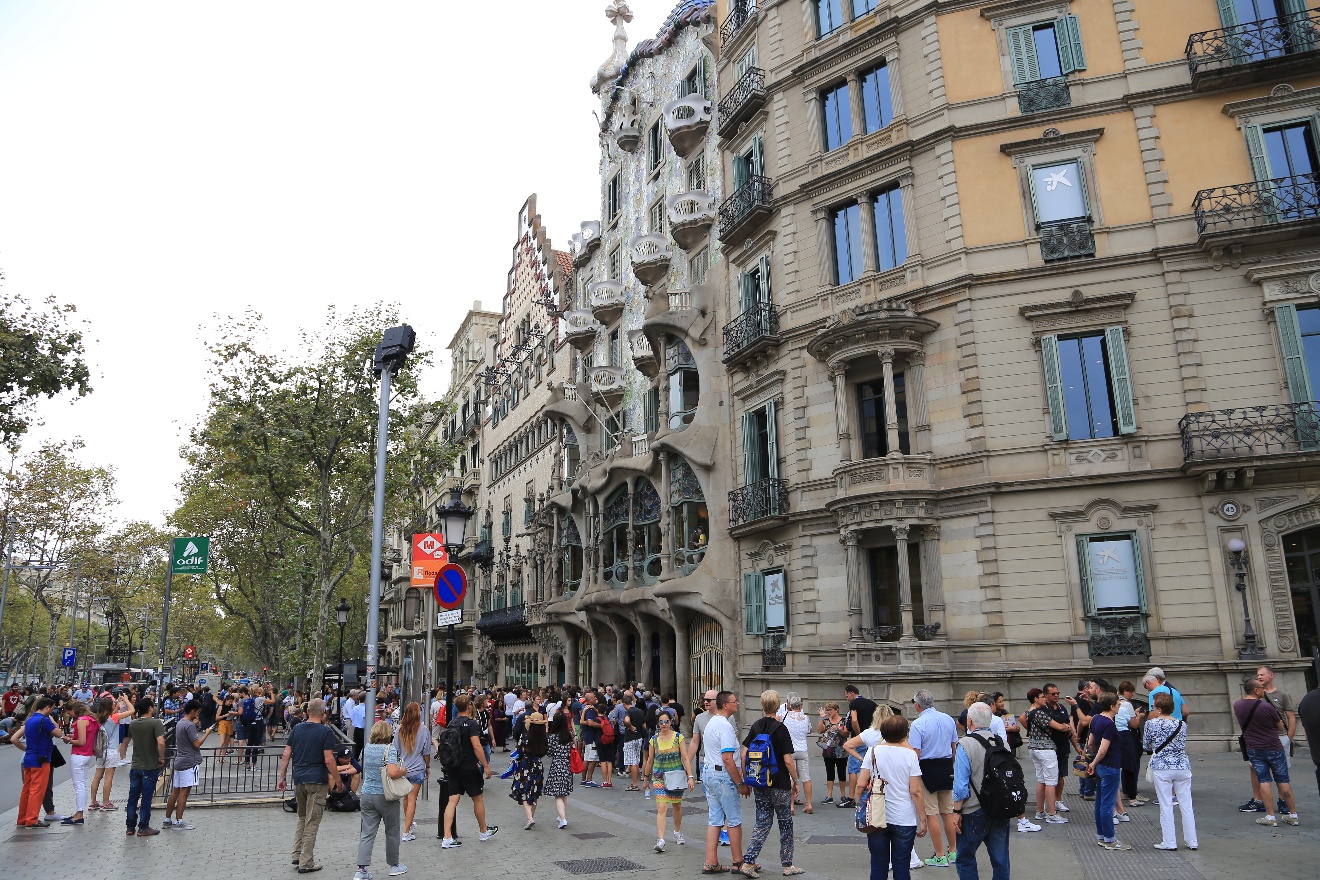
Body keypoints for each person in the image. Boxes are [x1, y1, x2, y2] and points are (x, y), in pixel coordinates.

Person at [278, 698, 345, 873]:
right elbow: (329, 759)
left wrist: (282, 777)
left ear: (307, 712)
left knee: (301, 817)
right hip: (317, 780)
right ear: (324, 713)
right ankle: (306, 862)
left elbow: (286, 755)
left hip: (299, 778)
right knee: (312, 821)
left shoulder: (297, 728)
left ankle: (297, 853)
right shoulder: (325, 732)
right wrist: (338, 781)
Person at [857, 713, 926, 880]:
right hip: (904, 817)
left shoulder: (872, 752)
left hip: (877, 816)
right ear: (904, 734)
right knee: (902, 866)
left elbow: (860, 784)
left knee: (878, 865)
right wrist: (923, 819)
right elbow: (916, 791)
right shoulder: (910, 755)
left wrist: (858, 805)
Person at [740, 690, 801, 877]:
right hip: (779, 782)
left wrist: (747, 778)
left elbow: (743, 754)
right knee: (785, 824)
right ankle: (788, 865)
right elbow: (788, 760)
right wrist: (795, 780)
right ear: (778, 705)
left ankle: (748, 861)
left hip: (760, 782)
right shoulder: (781, 728)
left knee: (762, 822)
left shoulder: (756, 726)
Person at [950, 703, 1011, 880]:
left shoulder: (966, 744)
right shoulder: (1002, 743)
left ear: (969, 721)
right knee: (1000, 859)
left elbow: (960, 784)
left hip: (974, 810)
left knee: (965, 858)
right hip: (1000, 807)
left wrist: (956, 811)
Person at [1234, 678, 1298, 828]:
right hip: (1273, 746)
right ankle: (1293, 815)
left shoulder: (1237, 705)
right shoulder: (1267, 707)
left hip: (1254, 748)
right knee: (1283, 780)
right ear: (1256, 690)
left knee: (1264, 780)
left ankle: (1270, 816)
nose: (1264, 690)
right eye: (1262, 688)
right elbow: (1280, 727)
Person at [440, 694, 499, 848]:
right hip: (469, 766)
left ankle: (447, 837)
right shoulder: (472, 724)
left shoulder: (452, 723)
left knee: (452, 801)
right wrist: (486, 766)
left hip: (454, 766)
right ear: (469, 707)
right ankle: (483, 830)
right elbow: (477, 746)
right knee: (478, 798)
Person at [908, 690, 958, 868]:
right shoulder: (948, 718)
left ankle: (939, 854)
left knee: (931, 813)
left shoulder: (917, 724)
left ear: (917, 705)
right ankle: (953, 851)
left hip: (927, 767)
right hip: (946, 766)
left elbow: (916, 753)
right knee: (947, 811)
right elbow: (954, 746)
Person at [1142, 691, 1196, 851]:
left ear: (1158, 709)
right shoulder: (1182, 724)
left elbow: (1146, 745)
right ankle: (1192, 841)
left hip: (1162, 767)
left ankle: (1169, 842)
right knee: (1186, 804)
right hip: (1182, 766)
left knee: (1166, 804)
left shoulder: (1151, 724)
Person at [702, 690, 748, 876]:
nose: (737, 704)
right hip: (723, 776)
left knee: (715, 819)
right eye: (734, 701)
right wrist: (740, 783)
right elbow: (728, 758)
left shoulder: (712, 722)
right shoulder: (725, 726)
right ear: (725, 705)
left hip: (709, 773)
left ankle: (711, 861)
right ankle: (738, 861)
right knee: (734, 820)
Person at [356, 720, 408, 879]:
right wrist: (403, 770)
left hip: (367, 794)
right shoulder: (389, 749)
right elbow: (392, 773)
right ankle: (394, 865)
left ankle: (361, 870)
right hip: (385, 795)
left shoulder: (367, 748)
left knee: (367, 833)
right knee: (392, 831)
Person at [1245, 664, 1297, 815]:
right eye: (1258, 675)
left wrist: (1289, 738)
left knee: (1281, 771)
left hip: (1280, 738)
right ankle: (1258, 800)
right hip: (1259, 739)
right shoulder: (1255, 696)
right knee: (1254, 768)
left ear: (1271, 675)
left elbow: (1291, 718)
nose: (1259, 677)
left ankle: (1283, 801)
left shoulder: (1282, 695)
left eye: (1262, 674)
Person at [643, 707, 694, 851]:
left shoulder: (678, 737)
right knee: (661, 807)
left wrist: (690, 777)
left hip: (676, 776)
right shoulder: (654, 740)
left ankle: (677, 832)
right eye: (661, 722)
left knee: (676, 806)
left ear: (671, 722)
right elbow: (649, 760)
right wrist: (646, 779)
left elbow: (685, 758)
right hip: (659, 777)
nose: (663, 724)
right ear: (657, 724)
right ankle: (661, 840)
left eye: (666, 721)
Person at [1084, 693, 1130, 850]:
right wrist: (1095, 762)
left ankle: (1102, 836)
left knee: (1100, 802)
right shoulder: (1109, 724)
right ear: (1111, 706)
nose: (1119, 706)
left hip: (1101, 767)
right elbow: (1103, 749)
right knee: (1108, 804)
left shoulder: (1096, 718)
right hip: (1110, 765)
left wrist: (1094, 763)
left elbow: (1091, 743)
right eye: (1118, 704)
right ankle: (1110, 839)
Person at [1021, 687, 1070, 826]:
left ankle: (1040, 810)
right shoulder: (1040, 713)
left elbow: (1022, 718)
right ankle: (1052, 814)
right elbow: (1059, 727)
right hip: (1046, 748)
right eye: (1042, 697)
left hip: (1034, 747)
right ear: (1036, 699)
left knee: (1041, 779)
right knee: (1051, 780)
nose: (1044, 699)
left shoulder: (1029, 712)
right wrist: (1067, 727)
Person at [17, 697, 68, 829]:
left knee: (26, 790)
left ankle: (22, 818)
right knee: (37, 790)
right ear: (46, 707)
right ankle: (32, 819)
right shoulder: (44, 720)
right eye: (51, 709)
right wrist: (52, 720)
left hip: (29, 757)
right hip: (41, 759)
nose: (52, 711)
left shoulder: (29, 720)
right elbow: (58, 732)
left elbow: (16, 738)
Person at [164, 699, 213, 830]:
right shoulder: (189, 725)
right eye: (197, 712)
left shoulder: (181, 723)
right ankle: (179, 821)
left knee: (175, 791)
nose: (198, 714)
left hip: (179, 760)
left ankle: (167, 819)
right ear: (192, 711)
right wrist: (207, 733)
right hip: (189, 762)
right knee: (184, 793)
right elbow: (196, 744)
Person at [126, 697, 166, 837]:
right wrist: (161, 757)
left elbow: (127, 741)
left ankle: (130, 826)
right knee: (146, 797)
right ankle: (143, 826)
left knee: (133, 797)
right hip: (150, 765)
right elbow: (161, 742)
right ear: (149, 708)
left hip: (136, 764)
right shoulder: (156, 723)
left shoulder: (133, 724)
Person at [392, 702, 431, 842]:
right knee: (413, 799)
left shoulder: (399, 730)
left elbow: (395, 750)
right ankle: (406, 831)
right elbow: (426, 751)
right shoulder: (424, 730)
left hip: (403, 769)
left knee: (406, 798)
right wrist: (428, 766)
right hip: (417, 768)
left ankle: (409, 824)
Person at [89, 695, 131, 811]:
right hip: (111, 751)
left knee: (97, 776)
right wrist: (126, 700)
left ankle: (93, 801)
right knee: (108, 777)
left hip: (101, 750)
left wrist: (117, 704)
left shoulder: (98, 718)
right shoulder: (115, 717)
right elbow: (132, 710)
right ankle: (106, 802)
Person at [1041, 683, 1077, 814]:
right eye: (1053, 694)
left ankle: (1058, 800)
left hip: (1062, 745)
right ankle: (1047, 802)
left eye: (1058, 693)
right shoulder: (1043, 709)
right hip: (1048, 746)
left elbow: (1068, 728)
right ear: (1045, 695)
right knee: (1048, 776)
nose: (1056, 696)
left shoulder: (1061, 707)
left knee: (1061, 774)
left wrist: (1076, 746)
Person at [509, 709, 547, 829]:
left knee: (523, 791)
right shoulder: (543, 738)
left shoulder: (525, 736)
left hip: (525, 764)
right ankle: (531, 817)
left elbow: (519, 750)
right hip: (538, 765)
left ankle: (530, 818)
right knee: (535, 791)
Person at [843, 684, 879, 809]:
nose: (846, 697)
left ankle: (851, 798)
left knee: (853, 768)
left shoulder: (854, 704)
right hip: (872, 738)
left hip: (860, 739)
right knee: (869, 767)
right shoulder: (872, 703)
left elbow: (854, 720)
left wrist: (859, 734)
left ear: (852, 693)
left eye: (846, 694)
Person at [63, 700, 97, 825]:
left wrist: (68, 740)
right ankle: (79, 813)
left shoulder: (82, 721)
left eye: (70, 712)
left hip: (79, 754)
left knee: (79, 786)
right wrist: (73, 736)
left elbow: (81, 741)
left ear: (74, 709)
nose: (71, 715)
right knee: (82, 784)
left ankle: (79, 814)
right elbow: (87, 737)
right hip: (87, 754)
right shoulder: (91, 719)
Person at [1114, 682, 1146, 809]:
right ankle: (1132, 797)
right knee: (1130, 768)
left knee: (1114, 769)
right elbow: (1134, 725)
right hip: (1126, 738)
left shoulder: (1107, 710)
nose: (1132, 694)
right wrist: (1138, 716)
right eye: (1131, 691)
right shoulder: (1125, 706)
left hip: (1113, 738)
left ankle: (1116, 798)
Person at [543, 709, 575, 829]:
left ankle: (563, 819)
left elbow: (549, 753)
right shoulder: (569, 735)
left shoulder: (552, 737)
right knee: (564, 792)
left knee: (558, 795)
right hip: (567, 765)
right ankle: (562, 815)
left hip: (557, 765)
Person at [781, 693, 814, 813]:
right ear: (800, 705)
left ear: (789, 705)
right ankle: (809, 804)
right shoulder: (805, 718)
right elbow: (809, 730)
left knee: (789, 778)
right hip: (803, 750)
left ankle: (791, 806)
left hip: (789, 750)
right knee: (806, 778)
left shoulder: (784, 715)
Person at [816, 701, 850, 805]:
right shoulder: (826, 720)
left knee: (842, 773)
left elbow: (846, 734)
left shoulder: (843, 720)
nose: (829, 712)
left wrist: (839, 729)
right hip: (828, 751)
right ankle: (829, 796)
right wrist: (821, 718)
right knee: (829, 773)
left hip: (841, 751)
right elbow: (820, 731)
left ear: (836, 710)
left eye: (831, 709)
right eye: (828, 710)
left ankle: (843, 795)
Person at [621, 693, 646, 790]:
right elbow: (644, 725)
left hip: (630, 738)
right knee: (636, 759)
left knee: (632, 762)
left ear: (624, 704)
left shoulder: (628, 712)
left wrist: (631, 727)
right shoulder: (639, 711)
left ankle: (634, 784)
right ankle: (635, 783)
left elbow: (627, 721)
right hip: (639, 737)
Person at [580, 690, 604, 786]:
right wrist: (601, 725)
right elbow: (590, 722)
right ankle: (589, 779)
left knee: (586, 758)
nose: (596, 699)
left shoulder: (589, 708)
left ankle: (583, 779)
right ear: (590, 699)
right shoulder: (589, 711)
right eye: (594, 697)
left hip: (587, 736)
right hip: (591, 737)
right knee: (592, 759)